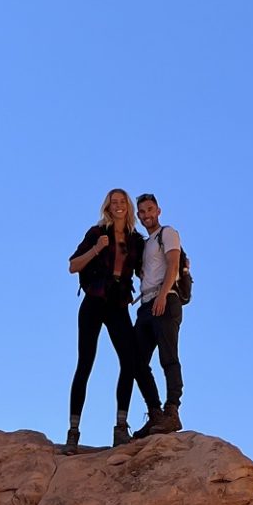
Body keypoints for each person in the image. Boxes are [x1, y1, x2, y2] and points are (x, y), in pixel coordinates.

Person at [65, 188, 163, 450]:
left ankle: (121, 427)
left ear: (128, 207)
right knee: (85, 362)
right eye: (113, 202)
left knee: (129, 362)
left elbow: (152, 264)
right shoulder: (97, 233)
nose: (118, 206)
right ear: (107, 207)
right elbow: (73, 265)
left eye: (122, 202)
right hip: (94, 300)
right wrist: (96, 249)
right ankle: (73, 432)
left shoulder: (134, 240)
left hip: (118, 304)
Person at [130, 192, 184, 435]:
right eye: (141, 212)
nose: (146, 215)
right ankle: (155, 413)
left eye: (149, 210)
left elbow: (173, 264)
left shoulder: (168, 233)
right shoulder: (145, 243)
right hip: (145, 304)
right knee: (135, 360)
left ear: (158, 210)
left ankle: (172, 410)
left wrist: (163, 295)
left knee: (168, 356)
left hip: (165, 298)